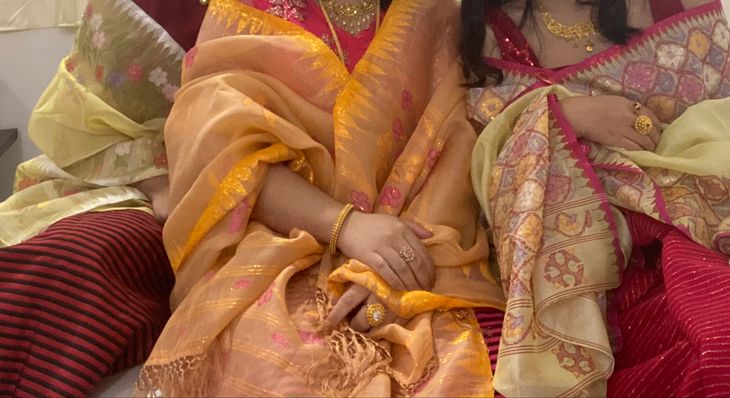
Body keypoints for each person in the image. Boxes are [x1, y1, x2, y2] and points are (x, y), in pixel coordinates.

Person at [135, 0, 506, 396]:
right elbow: (223, 156)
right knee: (280, 365)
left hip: (420, 252)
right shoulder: (247, 11)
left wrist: (393, 269)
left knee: (479, 366)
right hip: (280, 247)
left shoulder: (437, 13)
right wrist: (344, 225)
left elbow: (457, 147)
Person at [463, 0, 730, 396]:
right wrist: (566, 117)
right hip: (589, 279)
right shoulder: (479, 34)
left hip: (707, 229)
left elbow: (725, 125)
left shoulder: (673, 4)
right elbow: (473, 176)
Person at [0, 1, 206, 396]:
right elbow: (80, 105)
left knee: (79, 260)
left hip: (199, 177)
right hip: (91, 169)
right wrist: (150, 175)